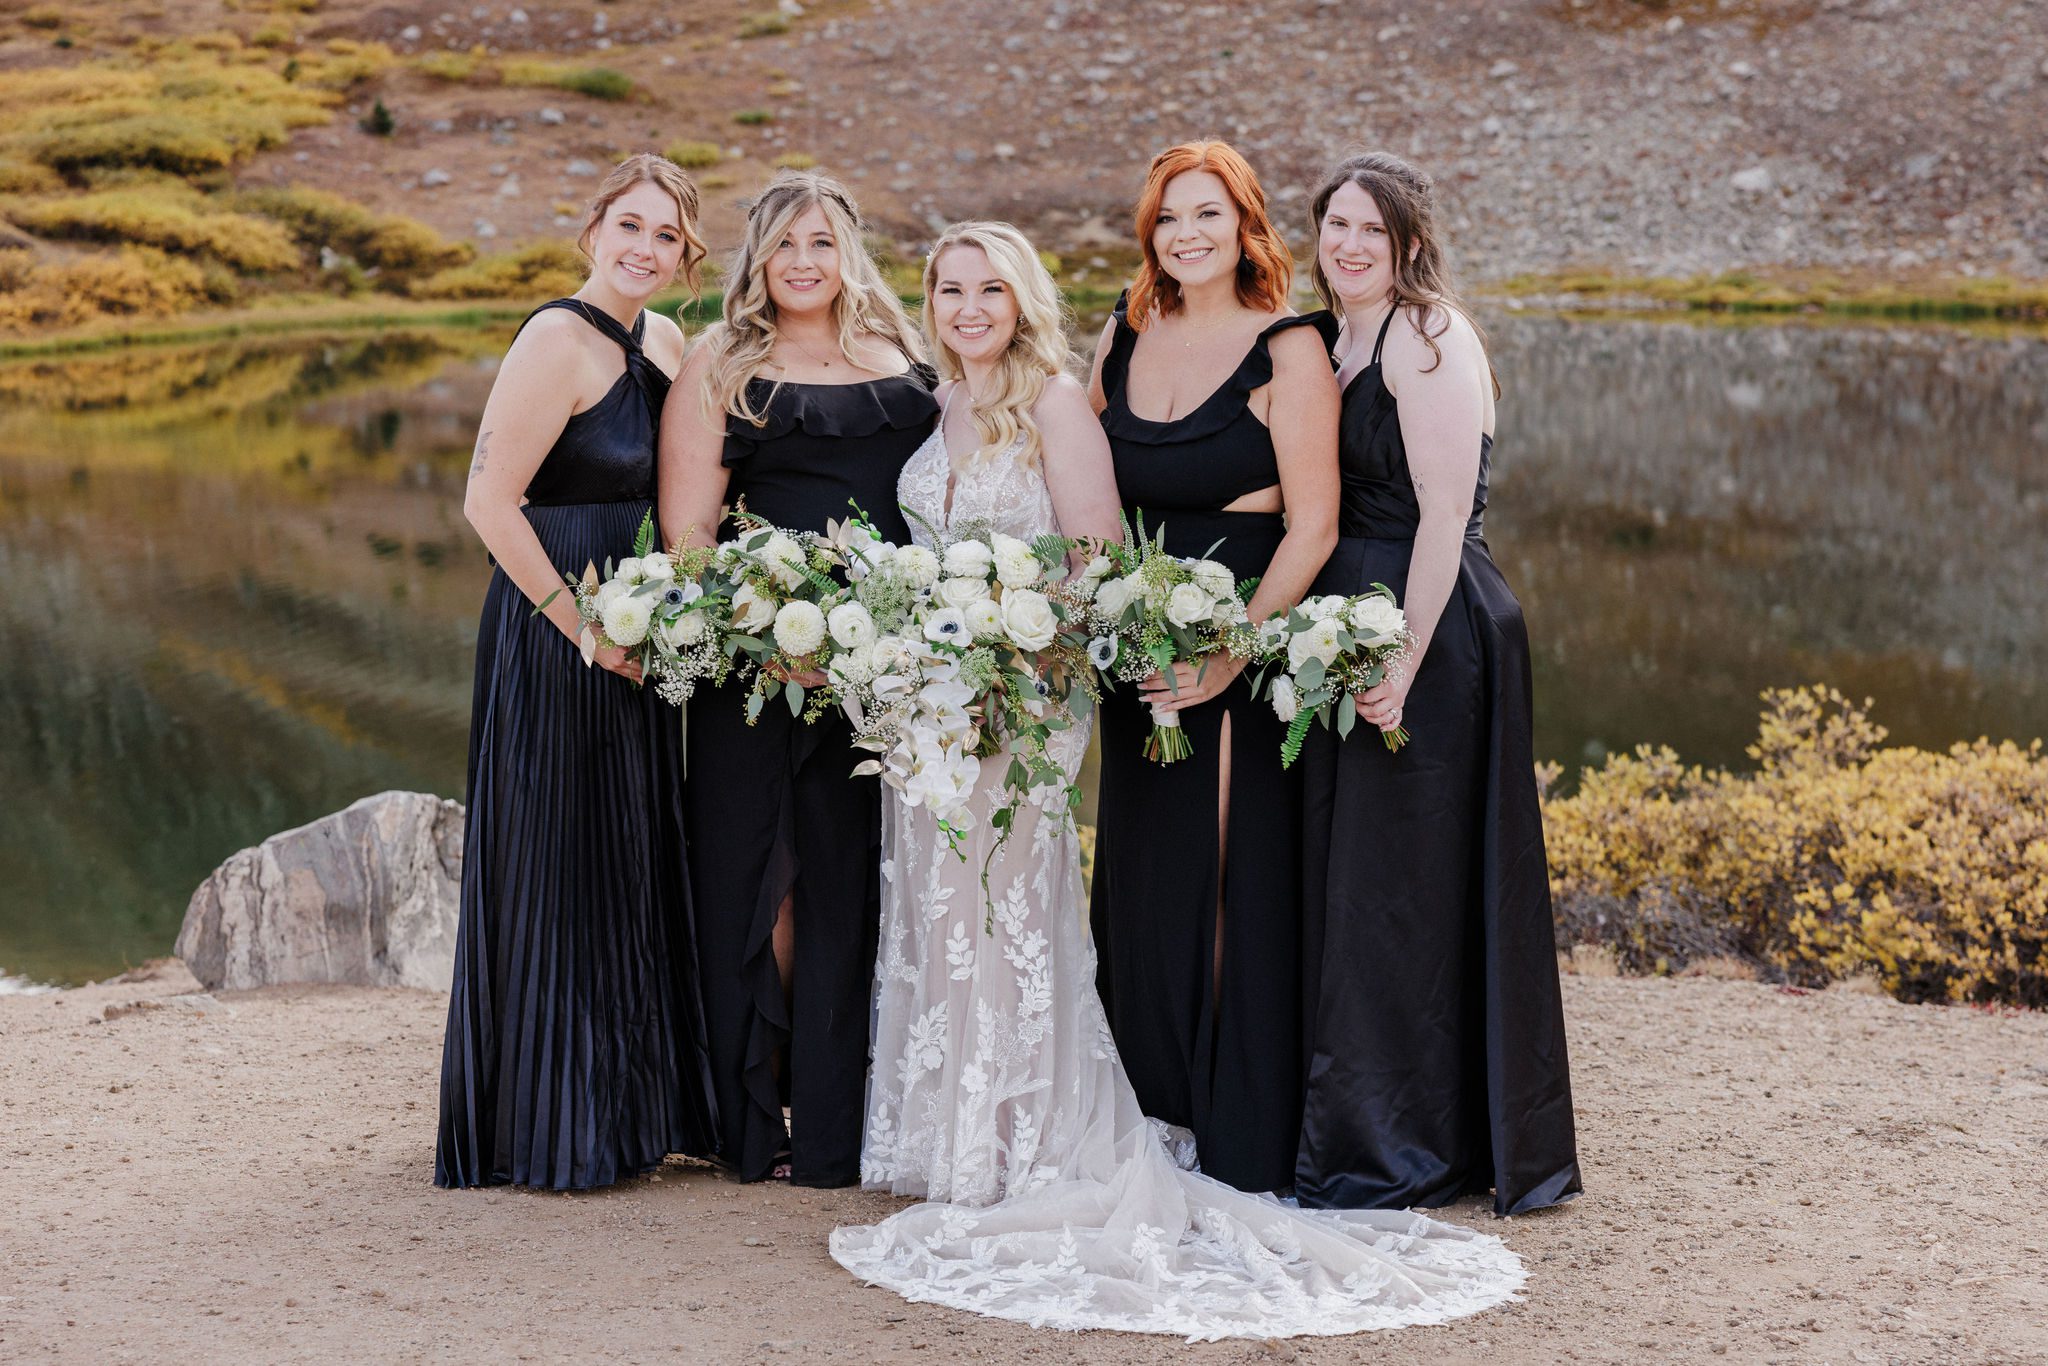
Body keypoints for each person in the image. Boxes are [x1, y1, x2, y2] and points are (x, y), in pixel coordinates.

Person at [830, 220, 1526, 1341]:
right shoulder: (944, 397)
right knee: (943, 906)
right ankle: (953, 1137)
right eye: (949, 288)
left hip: (1030, 680)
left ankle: (1048, 1131)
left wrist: (1019, 647)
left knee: (1018, 903)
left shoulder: (1067, 394)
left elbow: (1097, 552)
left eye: (990, 289)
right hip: (934, 700)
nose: (969, 308)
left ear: (1021, 300)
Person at [1293, 152, 1581, 1217]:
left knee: (1406, 887)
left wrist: (1399, 664)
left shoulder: (1427, 337)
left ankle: (1411, 1143)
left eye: (1371, 228)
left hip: (1429, 623)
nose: (1349, 245)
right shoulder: (1329, 337)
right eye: (1334, 226)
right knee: (1355, 881)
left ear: (1409, 241)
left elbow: (1441, 513)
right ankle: (1347, 1122)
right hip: (1348, 617)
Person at [437, 152, 716, 1190]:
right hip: (556, 633)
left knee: (626, 858)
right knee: (557, 862)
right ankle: (549, 1125)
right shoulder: (555, 338)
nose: (645, 248)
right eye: (629, 226)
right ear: (592, 229)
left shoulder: (670, 340)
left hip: (634, 636)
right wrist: (580, 627)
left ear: (685, 254)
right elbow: (487, 503)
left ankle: (631, 1111)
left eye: (666, 236)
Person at [658, 170, 937, 1187]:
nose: (804, 263)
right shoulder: (719, 364)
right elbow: (687, 539)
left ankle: (837, 1121)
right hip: (755, 663)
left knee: (853, 883)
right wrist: (762, 625)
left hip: (879, 670)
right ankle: (753, 1112)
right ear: (757, 259)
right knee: (756, 880)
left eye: (820, 242)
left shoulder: (905, 355)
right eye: (784, 246)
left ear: (848, 248)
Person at [1085, 140, 1339, 1194]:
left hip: (1238, 629)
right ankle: (1149, 1114)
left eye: (1207, 215)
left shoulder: (1288, 349)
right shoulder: (1121, 332)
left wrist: (1233, 654)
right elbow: (1079, 489)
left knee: (1228, 875)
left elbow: (1315, 524)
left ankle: (1237, 1133)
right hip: (1134, 637)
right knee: (1141, 878)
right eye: (1167, 218)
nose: (1185, 235)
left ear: (1245, 227)